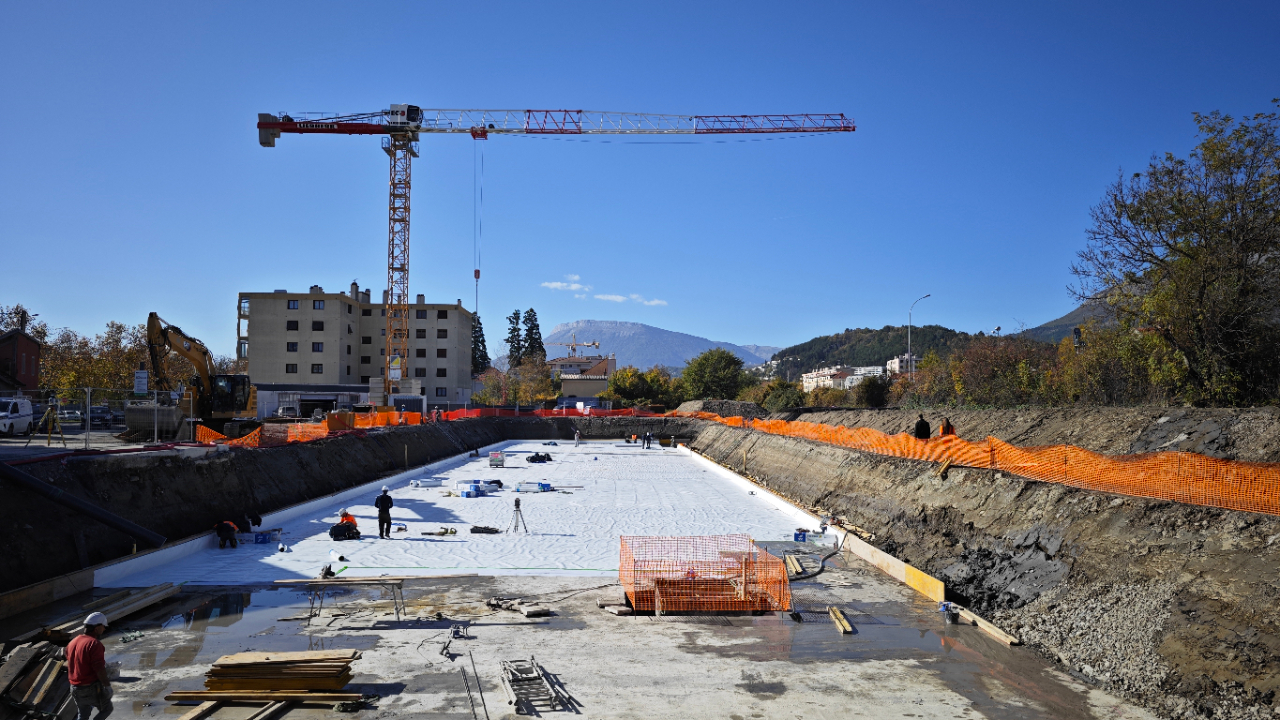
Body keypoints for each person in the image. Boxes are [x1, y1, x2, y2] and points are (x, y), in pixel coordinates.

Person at [68, 612, 113, 720]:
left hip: (74, 688)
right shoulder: (94, 644)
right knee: (107, 708)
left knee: (83, 714)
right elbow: (99, 669)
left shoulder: (73, 642)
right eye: (103, 626)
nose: (104, 629)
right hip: (89, 688)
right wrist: (107, 686)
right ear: (96, 628)